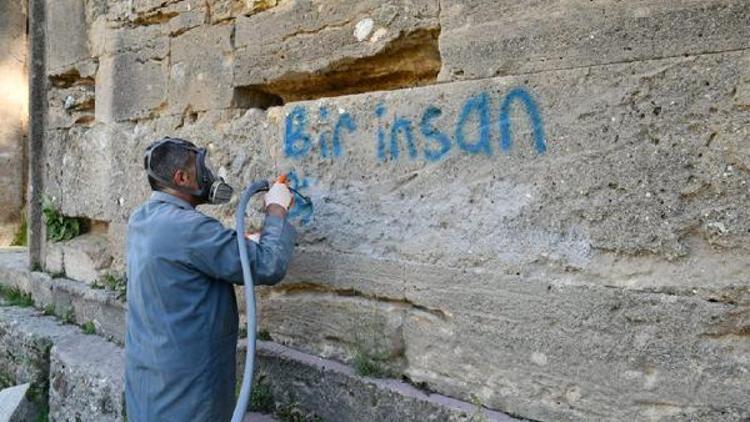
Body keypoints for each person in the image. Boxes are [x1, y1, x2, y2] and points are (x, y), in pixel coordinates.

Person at [124, 137, 296, 421]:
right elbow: (268, 264)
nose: (209, 175)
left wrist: (242, 242)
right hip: (187, 396)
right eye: (200, 168)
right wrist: (276, 209)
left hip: (150, 386)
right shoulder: (190, 228)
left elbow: (192, 257)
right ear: (181, 178)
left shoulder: (141, 219)